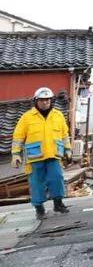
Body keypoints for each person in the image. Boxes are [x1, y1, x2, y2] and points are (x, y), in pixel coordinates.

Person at [10, 87, 71, 220]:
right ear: (36, 101)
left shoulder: (58, 115)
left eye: (47, 100)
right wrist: (15, 154)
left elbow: (64, 135)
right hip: (35, 157)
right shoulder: (27, 117)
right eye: (42, 100)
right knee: (37, 183)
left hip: (54, 155)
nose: (45, 102)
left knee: (57, 178)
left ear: (51, 101)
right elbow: (18, 137)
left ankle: (58, 203)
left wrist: (68, 150)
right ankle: (39, 209)